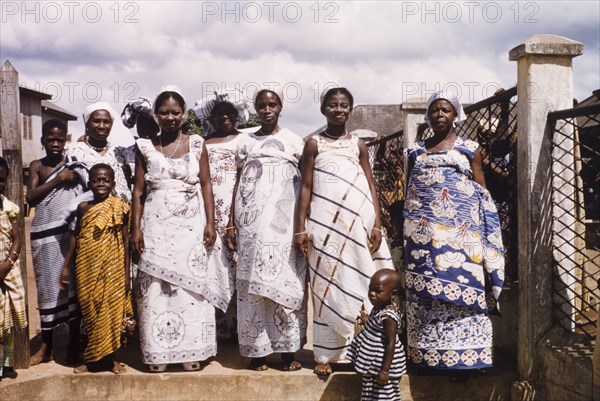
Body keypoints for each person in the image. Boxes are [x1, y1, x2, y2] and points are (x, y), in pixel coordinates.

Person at [402, 90, 505, 382]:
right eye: (434, 110)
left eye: (445, 110)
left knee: (464, 294)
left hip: (461, 238)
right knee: (424, 297)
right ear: (427, 116)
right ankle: (425, 357)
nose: (439, 115)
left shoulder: (470, 149)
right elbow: (411, 192)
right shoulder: (415, 151)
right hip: (421, 238)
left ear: (455, 114)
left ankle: (465, 361)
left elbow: (481, 192)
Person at [294, 87, 394, 376]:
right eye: (333, 105)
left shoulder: (358, 144)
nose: (338, 110)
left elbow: (370, 183)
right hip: (325, 228)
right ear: (323, 109)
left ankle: (365, 353)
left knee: (363, 281)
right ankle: (325, 355)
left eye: (344, 105)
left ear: (351, 109)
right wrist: (300, 228)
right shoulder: (313, 144)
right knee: (327, 284)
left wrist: (376, 222)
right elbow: (306, 186)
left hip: (358, 223)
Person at [131, 86, 231, 373]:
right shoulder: (145, 147)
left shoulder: (197, 144)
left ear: (184, 114)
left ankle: (193, 350)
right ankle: (158, 353)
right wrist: (135, 230)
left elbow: (207, 184)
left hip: (191, 227)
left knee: (191, 288)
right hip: (156, 226)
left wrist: (211, 223)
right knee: (156, 288)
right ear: (156, 114)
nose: (170, 117)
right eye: (164, 112)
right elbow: (138, 191)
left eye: (176, 112)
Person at [225, 88, 307, 372]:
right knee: (253, 286)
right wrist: (231, 223)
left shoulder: (294, 141)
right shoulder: (245, 141)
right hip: (251, 224)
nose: (267, 109)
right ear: (256, 108)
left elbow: (305, 184)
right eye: (262, 105)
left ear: (281, 107)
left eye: (272, 104)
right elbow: (237, 181)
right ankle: (258, 353)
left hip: (283, 225)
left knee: (284, 282)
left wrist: (301, 226)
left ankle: (287, 352)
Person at [60, 163, 132, 374]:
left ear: (113, 183)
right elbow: (75, 237)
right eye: (97, 180)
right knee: (90, 312)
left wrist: (127, 274)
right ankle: (91, 360)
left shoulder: (120, 207)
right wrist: (66, 266)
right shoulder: (83, 208)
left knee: (111, 312)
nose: (101, 183)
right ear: (90, 183)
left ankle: (112, 360)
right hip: (86, 267)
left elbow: (126, 242)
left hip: (113, 268)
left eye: (106, 180)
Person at [27, 120, 83, 366]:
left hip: (67, 236)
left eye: (60, 140)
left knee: (71, 288)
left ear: (65, 140)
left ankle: (72, 345)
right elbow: (31, 197)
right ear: (43, 140)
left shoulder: (73, 164)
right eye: (51, 139)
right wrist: (59, 179)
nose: (56, 144)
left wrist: (69, 175)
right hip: (43, 236)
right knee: (47, 290)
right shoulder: (37, 165)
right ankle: (47, 345)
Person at [204, 101, 245, 342]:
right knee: (214, 267)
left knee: (238, 265)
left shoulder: (245, 141)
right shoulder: (203, 144)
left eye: (229, 113)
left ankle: (240, 328)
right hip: (211, 215)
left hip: (236, 210)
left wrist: (235, 217)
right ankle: (218, 329)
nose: (225, 118)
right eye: (219, 114)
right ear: (211, 119)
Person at [347, 269, 407, 401]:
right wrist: (367, 322)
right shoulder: (379, 307)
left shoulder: (389, 317)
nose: (372, 295)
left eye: (378, 291)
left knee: (384, 394)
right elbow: (377, 327)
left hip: (381, 364)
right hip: (372, 364)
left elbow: (390, 343)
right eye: (370, 290)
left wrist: (385, 371)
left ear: (393, 294)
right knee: (370, 391)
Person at [66, 102, 132, 203]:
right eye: (96, 121)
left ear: (111, 125)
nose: (101, 126)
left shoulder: (120, 152)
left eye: (106, 122)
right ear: (87, 124)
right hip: (87, 212)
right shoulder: (73, 151)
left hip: (121, 212)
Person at [0, 157, 27, 380]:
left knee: (7, 318)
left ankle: (5, 365)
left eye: (1, 179)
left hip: (7, 268)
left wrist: (8, 263)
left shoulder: (9, 207)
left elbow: (16, 239)